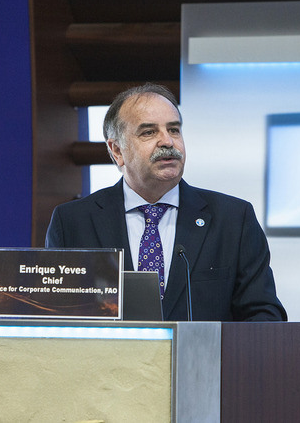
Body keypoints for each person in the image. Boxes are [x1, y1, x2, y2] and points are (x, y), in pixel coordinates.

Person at [46, 83, 287, 322]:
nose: (168, 142)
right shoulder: (72, 222)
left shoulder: (234, 219)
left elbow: (264, 316)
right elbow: (54, 318)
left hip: (204, 360)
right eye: (149, 132)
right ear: (117, 150)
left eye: (173, 130)